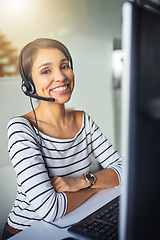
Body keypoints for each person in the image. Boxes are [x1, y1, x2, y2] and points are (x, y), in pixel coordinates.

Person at [2, 38, 122, 239]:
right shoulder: (21, 129)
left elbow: (124, 169)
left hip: (74, 220)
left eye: (64, 66)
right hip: (27, 233)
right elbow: (50, 209)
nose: (61, 77)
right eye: (46, 71)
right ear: (29, 84)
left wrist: (83, 182)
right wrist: (96, 186)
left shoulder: (83, 120)